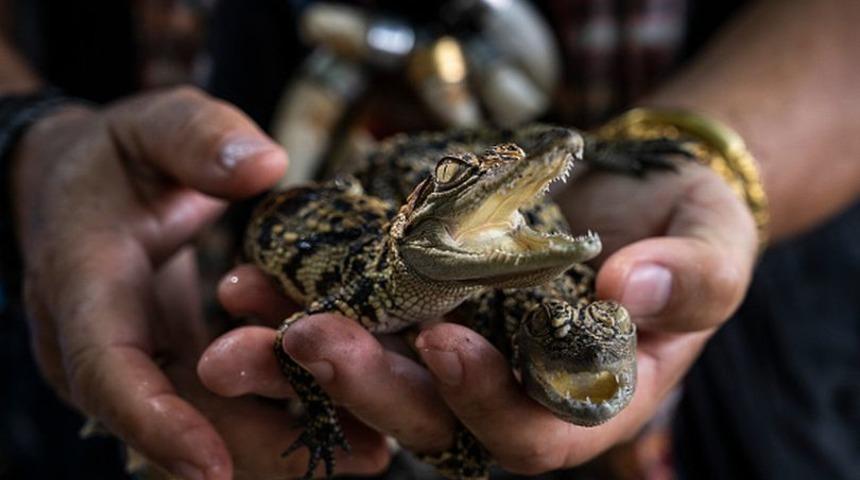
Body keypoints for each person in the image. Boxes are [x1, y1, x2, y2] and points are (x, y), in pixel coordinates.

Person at [1, 1, 858, 479]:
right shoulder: (381, 278)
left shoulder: (550, 275)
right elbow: (304, 343)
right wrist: (33, 140)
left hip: (744, 406)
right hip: (137, 279)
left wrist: (701, 145)